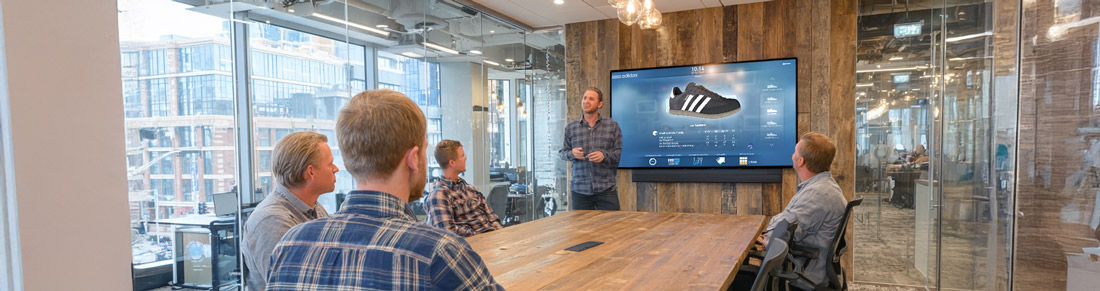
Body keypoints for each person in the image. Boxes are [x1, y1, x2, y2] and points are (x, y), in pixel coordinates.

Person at [265, 89, 502, 290]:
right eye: (424, 150)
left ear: (348, 161)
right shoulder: (439, 253)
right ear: (413, 158)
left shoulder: (289, 246)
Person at [241, 131, 338, 291]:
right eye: (330, 164)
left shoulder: (313, 207)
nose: (336, 169)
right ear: (311, 172)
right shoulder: (271, 220)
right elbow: (290, 286)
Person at [758, 132, 847, 290]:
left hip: (806, 277)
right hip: (814, 270)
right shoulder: (823, 186)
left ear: (801, 161)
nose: (791, 155)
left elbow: (777, 236)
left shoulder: (816, 195)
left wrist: (768, 236)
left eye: (795, 151)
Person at [559, 86, 622, 210]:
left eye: (591, 99)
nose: (586, 101)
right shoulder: (571, 127)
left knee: (613, 227)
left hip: (606, 189)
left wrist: (604, 156)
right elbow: (562, 153)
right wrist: (572, 153)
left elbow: (618, 153)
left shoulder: (612, 126)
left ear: (600, 104)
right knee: (581, 229)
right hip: (580, 190)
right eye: (585, 98)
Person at [424, 139, 504, 236]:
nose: (465, 158)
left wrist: (501, 234)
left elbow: (492, 217)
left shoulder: (469, 188)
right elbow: (448, 233)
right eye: (462, 156)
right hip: (476, 244)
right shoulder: (439, 196)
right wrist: (481, 236)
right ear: (452, 163)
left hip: (494, 240)